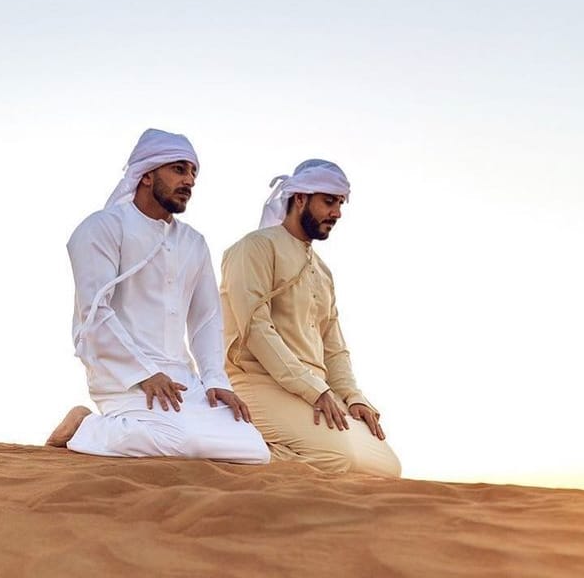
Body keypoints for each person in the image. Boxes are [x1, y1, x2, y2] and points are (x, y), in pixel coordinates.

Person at [46, 128, 269, 465]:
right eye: (179, 169)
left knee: (253, 448)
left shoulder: (194, 242)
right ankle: (85, 426)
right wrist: (143, 372)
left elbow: (206, 319)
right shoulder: (101, 228)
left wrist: (214, 379)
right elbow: (94, 312)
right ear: (147, 174)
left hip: (181, 379)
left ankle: (129, 429)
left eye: (193, 172)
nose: (189, 181)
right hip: (123, 375)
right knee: (180, 440)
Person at [219, 159, 400, 477]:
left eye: (340, 204)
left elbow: (334, 348)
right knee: (341, 462)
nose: (337, 213)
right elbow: (257, 329)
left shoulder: (324, 271)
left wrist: (352, 396)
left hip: (317, 393)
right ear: (300, 198)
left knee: (386, 468)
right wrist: (313, 390)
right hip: (259, 383)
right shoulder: (254, 248)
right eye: (329, 201)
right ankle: (233, 455)